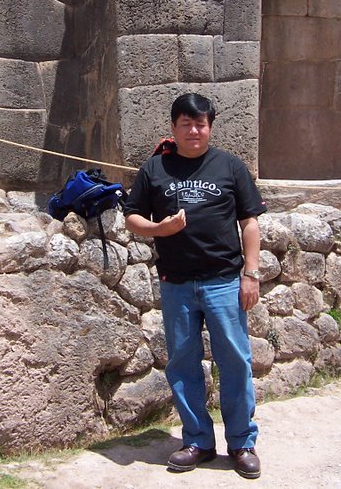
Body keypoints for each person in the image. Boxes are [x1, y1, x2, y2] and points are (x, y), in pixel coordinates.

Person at [124, 93, 265, 480]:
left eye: (200, 123)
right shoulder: (155, 168)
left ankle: (242, 443)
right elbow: (133, 216)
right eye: (186, 123)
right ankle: (198, 441)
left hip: (223, 282)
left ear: (210, 127)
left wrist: (250, 274)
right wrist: (159, 229)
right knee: (183, 363)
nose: (193, 130)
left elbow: (249, 222)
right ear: (173, 127)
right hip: (177, 285)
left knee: (235, 362)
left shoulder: (230, 166)